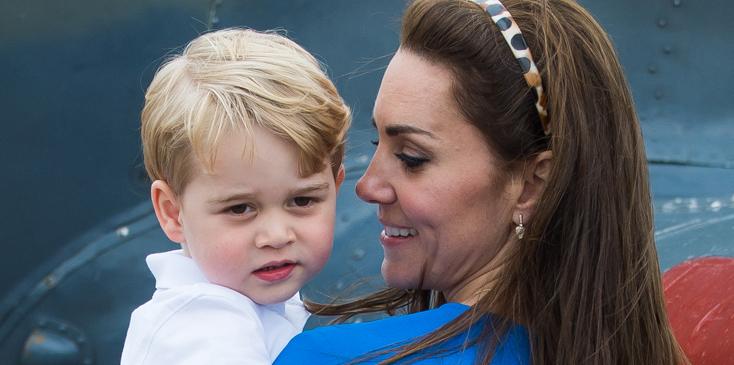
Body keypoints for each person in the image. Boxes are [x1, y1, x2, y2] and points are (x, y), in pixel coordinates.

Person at [275, 0, 688, 364]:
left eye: (411, 158)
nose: (367, 187)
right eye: (376, 142)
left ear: (532, 185)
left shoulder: (330, 358)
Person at [120, 28, 350, 364]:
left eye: (302, 201)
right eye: (241, 208)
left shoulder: (241, 305)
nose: (276, 236)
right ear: (173, 213)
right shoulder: (206, 327)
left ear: (335, 187)